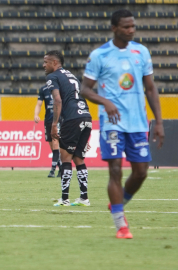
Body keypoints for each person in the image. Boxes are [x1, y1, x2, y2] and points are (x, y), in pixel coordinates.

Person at [81, 9, 165, 239]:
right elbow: (85, 88)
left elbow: (150, 88)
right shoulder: (100, 55)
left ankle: (118, 203)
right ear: (114, 28)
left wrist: (158, 121)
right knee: (115, 170)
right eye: (126, 27)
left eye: (133, 26)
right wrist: (105, 102)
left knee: (141, 172)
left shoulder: (141, 52)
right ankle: (121, 224)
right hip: (112, 123)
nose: (131, 30)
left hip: (137, 122)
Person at [44, 50, 92, 207]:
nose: (43, 65)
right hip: (86, 116)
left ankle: (64, 199)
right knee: (78, 158)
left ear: (55, 63)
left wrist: (54, 125)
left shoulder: (53, 76)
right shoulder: (71, 75)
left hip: (72, 119)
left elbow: (57, 101)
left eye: (46, 62)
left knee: (65, 159)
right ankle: (84, 198)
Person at [34, 84, 62, 178]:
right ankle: (61, 168)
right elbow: (39, 104)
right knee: (51, 144)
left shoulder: (60, 87)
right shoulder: (43, 89)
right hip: (48, 120)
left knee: (55, 142)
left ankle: (53, 170)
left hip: (58, 119)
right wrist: (36, 115)